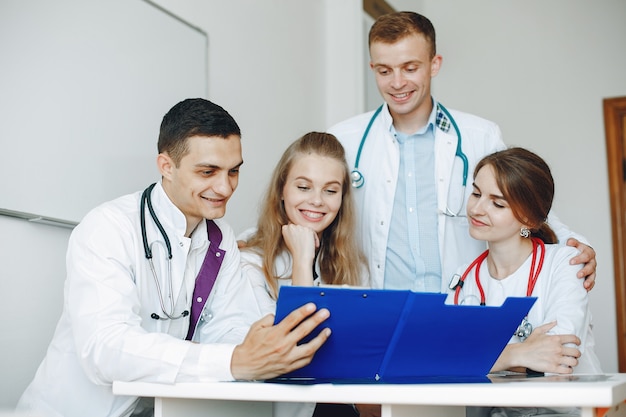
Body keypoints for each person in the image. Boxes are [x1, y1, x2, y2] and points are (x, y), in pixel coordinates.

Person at [16, 98, 331, 417]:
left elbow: (234, 331)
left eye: (233, 171)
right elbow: (105, 350)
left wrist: (248, 348)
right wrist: (231, 360)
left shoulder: (220, 241)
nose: (224, 187)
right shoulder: (109, 228)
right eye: (208, 171)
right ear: (166, 166)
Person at [327, 11, 597, 294]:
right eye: (384, 71)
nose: (397, 83)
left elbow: (522, 200)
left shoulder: (479, 135)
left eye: (410, 68)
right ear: (372, 68)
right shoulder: (345, 139)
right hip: (379, 308)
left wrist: (573, 241)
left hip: (459, 302)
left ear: (434, 64)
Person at [448, 147, 602, 417]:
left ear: (529, 219)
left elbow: (559, 357)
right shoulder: (464, 279)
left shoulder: (564, 264)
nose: (477, 209)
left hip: (569, 411)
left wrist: (480, 358)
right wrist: (517, 354)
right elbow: (442, 357)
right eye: (476, 193)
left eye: (497, 203)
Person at [239, 132, 368, 417]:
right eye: (304, 187)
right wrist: (301, 258)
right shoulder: (248, 261)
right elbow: (293, 350)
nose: (317, 201)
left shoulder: (351, 263)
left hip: (340, 406)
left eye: (330, 191)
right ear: (282, 190)